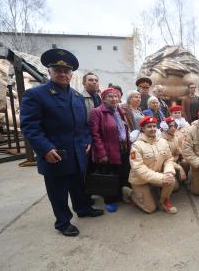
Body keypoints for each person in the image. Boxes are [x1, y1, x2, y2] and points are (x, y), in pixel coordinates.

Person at [20, 48, 103, 237]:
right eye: (58, 70)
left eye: (66, 71)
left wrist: (87, 139)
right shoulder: (36, 94)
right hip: (55, 153)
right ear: (49, 72)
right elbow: (30, 126)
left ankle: (82, 209)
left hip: (77, 152)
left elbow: (82, 125)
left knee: (78, 185)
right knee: (58, 191)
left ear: (71, 74)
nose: (63, 74)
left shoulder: (76, 96)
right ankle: (63, 222)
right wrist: (45, 148)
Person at [123, 116, 178, 214]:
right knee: (150, 209)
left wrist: (168, 172)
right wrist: (161, 178)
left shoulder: (162, 141)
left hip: (155, 176)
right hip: (140, 180)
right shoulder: (136, 146)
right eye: (149, 126)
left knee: (171, 180)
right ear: (143, 129)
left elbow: (169, 159)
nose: (152, 129)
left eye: (154, 126)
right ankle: (129, 192)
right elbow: (138, 168)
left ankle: (163, 202)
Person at [89, 87, 131, 212]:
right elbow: (95, 134)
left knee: (123, 173)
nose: (114, 99)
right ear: (104, 99)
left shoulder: (119, 111)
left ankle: (120, 195)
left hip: (123, 148)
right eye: (110, 97)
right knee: (109, 175)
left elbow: (125, 129)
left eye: (116, 97)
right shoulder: (97, 112)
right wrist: (101, 153)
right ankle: (109, 200)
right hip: (108, 151)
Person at [160, 116, 187, 191]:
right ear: (165, 127)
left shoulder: (175, 137)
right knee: (175, 187)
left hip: (174, 161)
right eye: (170, 126)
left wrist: (180, 154)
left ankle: (182, 179)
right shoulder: (162, 140)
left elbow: (180, 151)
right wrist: (179, 167)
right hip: (166, 165)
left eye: (174, 126)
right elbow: (165, 161)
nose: (173, 128)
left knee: (186, 162)